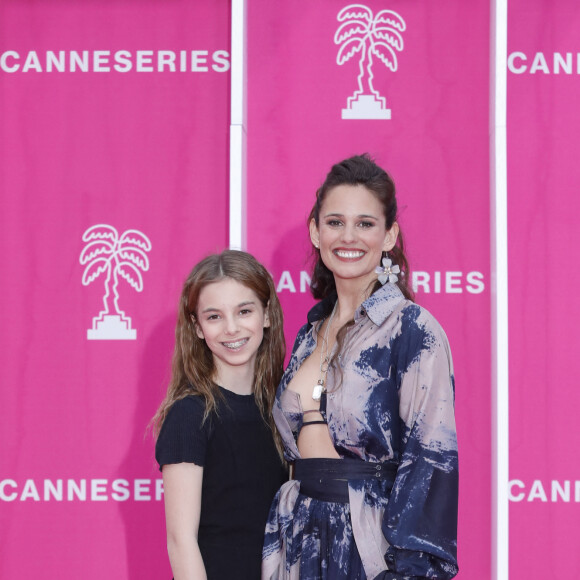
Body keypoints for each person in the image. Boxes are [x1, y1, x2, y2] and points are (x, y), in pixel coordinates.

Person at [262, 155, 459, 579]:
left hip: (369, 555)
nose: (348, 236)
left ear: (390, 236)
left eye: (365, 224)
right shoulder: (307, 334)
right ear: (315, 231)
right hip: (297, 548)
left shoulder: (412, 330)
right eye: (334, 222)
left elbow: (430, 466)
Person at [153, 250, 287, 580]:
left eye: (244, 311)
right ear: (197, 327)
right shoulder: (189, 414)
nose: (231, 328)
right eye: (214, 316)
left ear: (266, 315)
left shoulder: (284, 407)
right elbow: (180, 541)